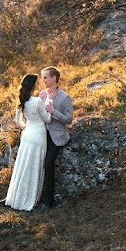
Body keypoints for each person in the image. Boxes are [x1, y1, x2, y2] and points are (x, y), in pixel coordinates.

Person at [4, 74, 52, 211]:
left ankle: (16, 197)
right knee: (35, 166)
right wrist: (49, 106)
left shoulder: (22, 100)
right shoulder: (38, 102)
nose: (39, 84)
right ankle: (30, 198)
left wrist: (27, 127)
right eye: (37, 82)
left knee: (24, 165)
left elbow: (18, 121)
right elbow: (47, 119)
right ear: (33, 85)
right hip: (38, 135)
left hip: (27, 134)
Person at [38, 66, 73, 208]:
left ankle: (49, 202)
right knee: (38, 164)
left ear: (54, 78)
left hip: (56, 137)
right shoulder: (41, 94)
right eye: (42, 77)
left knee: (48, 165)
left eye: (45, 77)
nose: (43, 80)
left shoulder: (64, 97)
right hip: (41, 134)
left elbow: (69, 119)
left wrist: (54, 112)